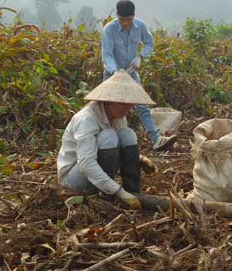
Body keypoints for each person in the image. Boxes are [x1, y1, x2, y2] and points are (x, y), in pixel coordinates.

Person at [57, 70, 158, 210]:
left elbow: (118, 147)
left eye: (130, 104)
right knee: (108, 136)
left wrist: (139, 159)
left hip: (96, 177)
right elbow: (86, 163)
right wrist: (118, 191)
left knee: (127, 134)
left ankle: (133, 192)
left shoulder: (118, 119)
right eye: (122, 103)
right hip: (74, 182)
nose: (127, 108)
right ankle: (109, 194)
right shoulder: (86, 119)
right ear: (108, 100)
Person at [101, 0, 177, 151]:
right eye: (122, 19)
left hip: (130, 72)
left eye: (128, 19)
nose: (125, 23)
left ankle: (156, 140)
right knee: (107, 109)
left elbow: (149, 43)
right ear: (117, 16)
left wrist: (140, 56)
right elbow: (107, 55)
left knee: (142, 105)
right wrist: (115, 71)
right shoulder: (109, 29)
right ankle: (107, 143)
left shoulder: (140, 26)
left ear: (133, 16)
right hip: (112, 74)